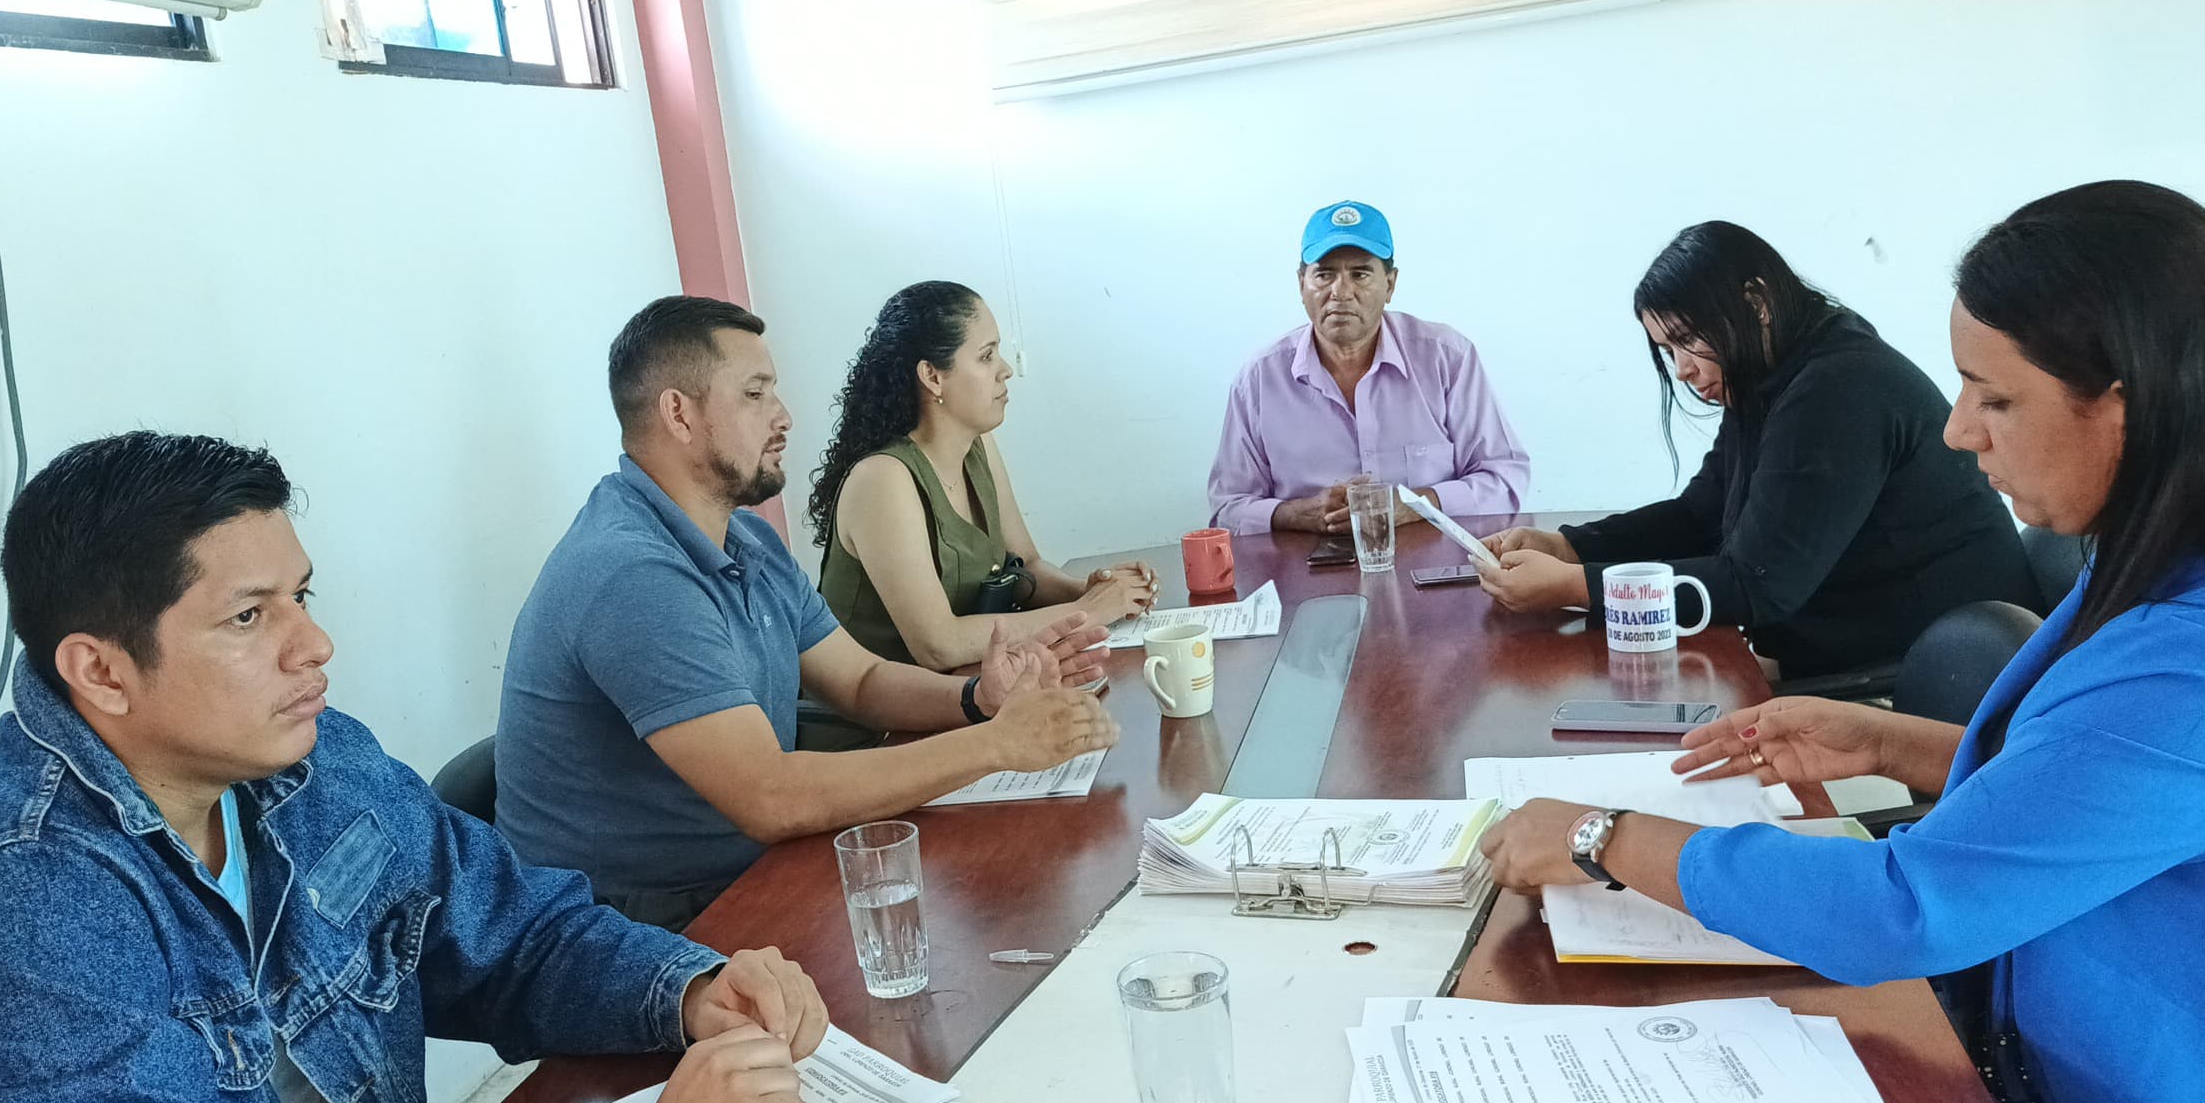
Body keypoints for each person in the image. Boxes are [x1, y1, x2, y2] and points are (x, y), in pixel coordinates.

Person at [1478, 182, 2205, 1103]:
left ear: (2126, 401)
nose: (1957, 429)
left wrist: (1603, 838)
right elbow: (2088, 796)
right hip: (2020, 1067)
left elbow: (1906, 910)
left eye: (1994, 396)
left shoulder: (2203, 660)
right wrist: (1893, 745)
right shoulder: (2155, 565)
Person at [0, 431, 834, 1103]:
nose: (314, 643)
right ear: (102, 671)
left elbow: (514, 936)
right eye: (249, 617)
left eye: (301, 596)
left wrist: (688, 990)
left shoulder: (313, 766)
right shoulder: (12, 917)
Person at [497, 296, 1118, 930]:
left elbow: (860, 681)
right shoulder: (633, 575)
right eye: (755, 394)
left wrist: (978, 700)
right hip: (632, 930)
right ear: (679, 414)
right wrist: (997, 743)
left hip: (747, 873)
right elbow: (770, 797)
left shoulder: (746, 539)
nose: (784, 416)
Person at [1477, 221, 2042, 678]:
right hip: (1870, 641)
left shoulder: (1837, 389)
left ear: (1756, 303)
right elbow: (1699, 515)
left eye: (1688, 339)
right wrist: (1570, 546)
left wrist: (1577, 587)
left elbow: (1756, 586)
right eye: (1668, 350)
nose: (1684, 369)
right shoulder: (1777, 374)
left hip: (1938, 668)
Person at [810, 280, 1159, 669]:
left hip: (969, 687)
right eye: (987, 356)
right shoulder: (881, 480)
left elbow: (1026, 568)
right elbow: (939, 644)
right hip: (889, 708)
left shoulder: (978, 446)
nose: (1005, 370)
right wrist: (1088, 612)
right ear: (932, 376)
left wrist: (1093, 591)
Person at [1207, 198, 1530, 536]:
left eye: (1360, 274)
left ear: (1390, 284)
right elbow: (1226, 508)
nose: (1341, 292)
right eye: (1324, 274)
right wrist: (1295, 514)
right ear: (1302, 284)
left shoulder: (1447, 358)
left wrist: (1417, 504)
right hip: (1304, 563)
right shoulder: (1259, 378)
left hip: (1436, 560)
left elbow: (1505, 479)